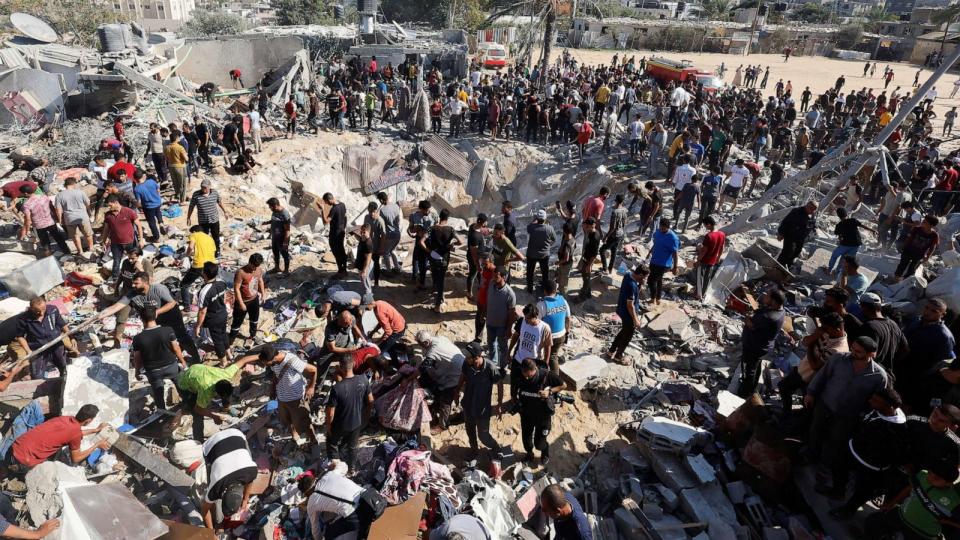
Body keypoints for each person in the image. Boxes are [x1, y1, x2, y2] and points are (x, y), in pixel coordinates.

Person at [805, 336, 890, 497]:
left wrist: (863, 416)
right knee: (815, 431)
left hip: (848, 416)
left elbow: (876, 401)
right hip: (825, 405)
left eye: (859, 352)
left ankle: (824, 469)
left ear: (872, 354)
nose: (853, 353)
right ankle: (810, 456)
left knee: (835, 443)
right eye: (853, 349)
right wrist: (811, 393)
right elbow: (822, 376)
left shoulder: (879, 376)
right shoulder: (839, 359)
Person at [830, 387, 909, 518]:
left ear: (889, 407)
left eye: (876, 400)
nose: (871, 401)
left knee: (863, 491)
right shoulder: (878, 410)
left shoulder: (896, 431)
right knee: (838, 467)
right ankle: (838, 492)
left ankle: (848, 511)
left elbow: (894, 454)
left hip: (871, 466)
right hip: (853, 451)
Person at [101, 272, 201, 363]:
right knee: (159, 340)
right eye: (133, 283)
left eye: (136, 283)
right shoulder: (132, 294)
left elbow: (172, 303)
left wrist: (157, 311)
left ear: (145, 283)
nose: (133, 285)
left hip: (171, 316)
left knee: (182, 336)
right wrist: (99, 316)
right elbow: (116, 306)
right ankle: (168, 358)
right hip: (154, 319)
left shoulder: (158, 289)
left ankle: (196, 358)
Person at [779, 312, 848, 417]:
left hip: (811, 379)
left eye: (825, 328)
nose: (822, 330)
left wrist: (811, 345)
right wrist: (815, 336)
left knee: (807, 405)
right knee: (783, 387)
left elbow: (815, 366)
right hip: (802, 370)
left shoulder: (838, 350)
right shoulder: (827, 332)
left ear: (837, 330)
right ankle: (787, 413)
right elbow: (805, 342)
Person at [177, 355, 258, 441]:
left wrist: (264, 355)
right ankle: (199, 440)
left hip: (198, 369)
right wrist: (214, 416)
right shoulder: (206, 391)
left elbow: (244, 359)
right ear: (216, 393)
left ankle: (226, 408)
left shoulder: (226, 374)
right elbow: (198, 409)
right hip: (186, 383)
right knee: (197, 415)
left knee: (223, 395)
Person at [864, 467, 960, 540]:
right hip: (901, 515)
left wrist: (947, 522)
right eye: (930, 473)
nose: (930, 478)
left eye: (936, 478)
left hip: (922, 533)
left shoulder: (955, 501)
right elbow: (909, 488)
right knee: (871, 521)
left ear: (948, 484)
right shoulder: (922, 475)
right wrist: (891, 504)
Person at [9, 405, 110, 470]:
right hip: (25, 458)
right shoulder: (75, 433)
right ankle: (20, 469)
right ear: (88, 420)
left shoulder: (65, 419)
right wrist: (97, 445)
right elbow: (76, 458)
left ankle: (16, 466)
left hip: (17, 445)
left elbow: (73, 434)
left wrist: (95, 430)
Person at [299, 462, 380, 540]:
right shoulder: (329, 475)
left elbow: (315, 528)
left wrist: (318, 538)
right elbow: (343, 466)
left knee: (329, 533)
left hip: (356, 515)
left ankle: (361, 533)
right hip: (370, 499)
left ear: (307, 493)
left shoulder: (311, 503)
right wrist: (333, 464)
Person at [200, 428, 259, 529]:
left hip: (237, 434)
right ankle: (215, 512)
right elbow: (204, 511)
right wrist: (211, 533)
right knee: (210, 478)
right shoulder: (215, 486)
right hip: (211, 444)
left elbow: (250, 480)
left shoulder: (251, 470)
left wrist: (245, 500)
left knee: (247, 455)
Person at [258, 344, 318, 444]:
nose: (266, 365)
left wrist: (311, 387)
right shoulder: (274, 363)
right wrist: (273, 389)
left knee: (304, 422)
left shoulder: (292, 361)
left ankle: (313, 441)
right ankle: (295, 435)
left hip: (296, 398)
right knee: (287, 420)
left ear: (274, 357)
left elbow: (313, 369)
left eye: (267, 363)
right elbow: (276, 375)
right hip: (282, 398)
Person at [132, 307, 187, 410]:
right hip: (171, 366)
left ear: (141, 319)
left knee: (158, 393)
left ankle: (162, 412)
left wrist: (137, 372)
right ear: (156, 315)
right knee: (181, 385)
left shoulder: (138, 338)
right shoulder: (168, 330)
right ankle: (187, 402)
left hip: (153, 372)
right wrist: (183, 361)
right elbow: (176, 348)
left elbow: (137, 358)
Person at [325, 354, 373, 471]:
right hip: (356, 422)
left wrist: (328, 426)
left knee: (332, 443)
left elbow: (330, 413)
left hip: (340, 424)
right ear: (354, 364)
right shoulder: (364, 380)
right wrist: (364, 416)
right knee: (352, 447)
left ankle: (335, 468)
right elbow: (371, 401)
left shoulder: (337, 388)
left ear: (341, 367)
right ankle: (351, 469)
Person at [515, 358, 566, 467]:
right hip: (526, 415)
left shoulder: (547, 375)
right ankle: (529, 454)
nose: (527, 378)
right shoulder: (520, 375)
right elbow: (515, 390)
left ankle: (545, 451)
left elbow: (563, 385)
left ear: (535, 369)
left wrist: (550, 391)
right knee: (527, 441)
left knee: (540, 444)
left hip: (543, 416)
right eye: (525, 375)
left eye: (529, 376)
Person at [456, 341, 503, 457]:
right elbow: (463, 375)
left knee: (484, 436)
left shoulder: (490, 368)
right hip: (467, 405)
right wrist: (456, 391)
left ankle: (496, 448)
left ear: (477, 357)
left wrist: (499, 404)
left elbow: (500, 383)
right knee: (470, 431)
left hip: (482, 409)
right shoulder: (467, 364)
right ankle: (474, 450)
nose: (466, 358)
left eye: (468, 356)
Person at [14, 297, 79, 379]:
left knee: (64, 368)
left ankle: (64, 382)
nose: (41, 313)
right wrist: (28, 351)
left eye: (43, 309)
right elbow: (20, 336)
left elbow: (62, 324)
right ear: (31, 309)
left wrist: (71, 337)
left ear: (46, 304)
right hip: (38, 349)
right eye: (37, 311)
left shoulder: (53, 310)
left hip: (56, 344)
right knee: (37, 375)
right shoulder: (23, 319)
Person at [738, 289, 786, 397]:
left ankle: (744, 392)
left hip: (754, 347)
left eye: (768, 296)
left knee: (748, 369)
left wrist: (746, 315)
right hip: (763, 346)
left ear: (773, 301)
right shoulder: (780, 310)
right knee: (756, 366)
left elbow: (750, 324)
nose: (765, 296)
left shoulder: (769, 317)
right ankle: (753, 387)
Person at [856, 293, 908, 372]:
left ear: (863, 307)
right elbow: (905, 349)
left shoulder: (869, 327)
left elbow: (865, 355)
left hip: (870, 375)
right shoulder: (894, 324)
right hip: (887, 374)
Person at [610, 265, 649, 366]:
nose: (645, 279)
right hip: (628, 314)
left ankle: (611, 350)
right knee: (627, 336)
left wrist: (640, 284)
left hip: (622, 310)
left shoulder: (628, 275)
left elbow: (636, 294)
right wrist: (635, 319)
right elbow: (630, 305)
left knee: (623, 331)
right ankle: (618, 356)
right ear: (640, 275)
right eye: (644, 277)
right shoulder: (632, 285)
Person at [18, 186, 71, 256]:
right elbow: (52, 208)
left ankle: (49, 259)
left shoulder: (26, 204)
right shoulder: (44, 197)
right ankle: (68, 253)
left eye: (22, 194)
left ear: (26, 193)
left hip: (39, 225)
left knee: (45, 244)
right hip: (50, 222)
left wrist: (27, 230)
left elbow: (28, 219)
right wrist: (57, 219)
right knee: (59, 239)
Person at [102, 195, 144, 280]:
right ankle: (115, 279)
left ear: (116, 203)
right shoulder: (108, 215)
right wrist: (103, 242)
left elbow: (139, 225)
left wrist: (141, 240)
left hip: (130, 242)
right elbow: (106, 229)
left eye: (110, 205)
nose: (109, 208)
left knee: (133, 259)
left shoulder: (129, 211)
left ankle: (136, 276)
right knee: (116, 261)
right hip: (115, 243)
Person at [196, 263, 231, 365]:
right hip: (223, 313)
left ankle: (223, 362)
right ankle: (229, 354)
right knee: (223, 334)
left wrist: (198, 326)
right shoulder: (221, 282)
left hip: (213, 319)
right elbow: (224, 297)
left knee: (217, 341)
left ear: (204, 274)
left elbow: (202, 311)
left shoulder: (204, 291)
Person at [427, 209, 460, 311]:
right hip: (444, 257)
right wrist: (451, 245)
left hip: (433, 256)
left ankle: (434, 288)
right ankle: (438, 304)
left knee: (434, 273)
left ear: (439, 217)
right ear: (447, 218)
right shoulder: (451, 229)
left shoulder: (431, 228)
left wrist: (428, 250)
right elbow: (460, 241)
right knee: (441, 279)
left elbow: (424, 240)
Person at [537, 280, 571, 375]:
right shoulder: (563, 300)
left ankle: (555, 379)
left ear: (544, 291)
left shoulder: (541, 305)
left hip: (549, 337)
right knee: (553, 355)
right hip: (561, 334)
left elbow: (536, 323)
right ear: (556, 290)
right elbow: (568, 318)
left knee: (550, 357)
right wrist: (567, 332)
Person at [827, 207, 874, 275]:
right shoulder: (853, 220)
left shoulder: (839, 225)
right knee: (845, 260)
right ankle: (837, 273)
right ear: (846, 214)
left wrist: (840, 242)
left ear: (838, 216)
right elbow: (862, 226)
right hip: (856, 245)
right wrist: (872, 230)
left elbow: (839, 237)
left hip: (845, 245)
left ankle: (829, 270)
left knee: (835, 255)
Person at [486, 266, 517, 369]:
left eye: (497, 276)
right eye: (493, 275)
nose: (494, 278)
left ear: (504, 277)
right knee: (491, 344)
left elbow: (512, 314)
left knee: (502, 347)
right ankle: (493, 364)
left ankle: (503, 367)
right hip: (490, 322)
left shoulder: (510, 294)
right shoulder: (491, 284)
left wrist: (508, 329)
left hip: (501, 326)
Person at [231, 254, 266, 343]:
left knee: (254, 320)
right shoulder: (241, 272)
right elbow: (236, 289)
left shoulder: (258, 269)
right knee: (236, 323)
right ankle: (231, 340)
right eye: (253, 266)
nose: (254, 269)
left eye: (256, 267)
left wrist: (263, 293)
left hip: (254, 299)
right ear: (249, 262)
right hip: (242, 302)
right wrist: (241, 303)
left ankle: (252, 336)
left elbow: (260, 280)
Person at [180, 225, 217, 306]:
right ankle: (210, 303)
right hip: (211, 264)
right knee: (209, 284)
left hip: (199, 265)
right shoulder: (209, 237)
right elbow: (213, 251)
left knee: (184, 285)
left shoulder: (194, 235)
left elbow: (190, 246)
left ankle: (186, 307)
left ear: (194, 231)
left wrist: (187, 254)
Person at [187, 179, 226, 257]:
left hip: (214, 219)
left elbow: (219, 202)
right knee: (204, 237)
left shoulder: (214, 193)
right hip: (203, 221)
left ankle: (217, 251)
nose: (203, 189)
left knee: (216, 237)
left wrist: (225, 211)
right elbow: (191, 206)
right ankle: (205, 251)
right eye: (202, 187)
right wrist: (188, 217)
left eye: (205, 187)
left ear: (209, 187)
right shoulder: (196, 195)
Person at [54, 177, 92, 257]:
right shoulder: (80, 192)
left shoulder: (59, 195)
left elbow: (58, 209)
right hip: (82, 217)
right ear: (74, 184)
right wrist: (89, 213)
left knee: (75, 236)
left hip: (69, 218)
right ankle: (91, 249)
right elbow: (87, 204)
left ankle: (80, 251)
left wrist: (60, 220)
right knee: (88, 234)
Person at [895, 214, 939, 281]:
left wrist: (928, 256)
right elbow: (909, 238)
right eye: (923, 220)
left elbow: (933, 247)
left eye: (925, 222)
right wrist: (904, 247)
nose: (922, 222)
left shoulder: (934, 235)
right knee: (902, 265)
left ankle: (904, 281)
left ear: (931, 225)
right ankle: (896, 279)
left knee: (912, 269)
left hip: (919, 255)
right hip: (908, 250)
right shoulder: (916, 229)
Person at [776, 201, 818, 267]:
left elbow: (812, 224)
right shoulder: (797, 211)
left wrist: (814, 229)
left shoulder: (812, 215)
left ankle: (787, 266)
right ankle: (778, 266)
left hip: (801, 238)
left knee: (797, 252)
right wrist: (780, 233)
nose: (812, 211)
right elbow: (785, 222)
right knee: (788, 251)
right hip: (791, 235)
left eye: (814, 210)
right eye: (811, 209)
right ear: (807, 206)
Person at [648, 218, 679, 305]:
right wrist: (649, 253)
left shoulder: (673, 238)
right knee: (658, 280)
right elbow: (655, 244)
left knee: (651, 280)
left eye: (663, 228)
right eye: (661, 227)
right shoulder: (658, 232)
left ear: (668, 227)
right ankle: (658, 298)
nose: (662, 229)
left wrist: (675, 267)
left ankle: (653, 298)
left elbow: (675, 253)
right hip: (654, 260)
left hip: (664, 263)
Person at [526, 209, 556, 294]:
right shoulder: (549, 228)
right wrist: (548, 245)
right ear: (545, 219)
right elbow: (554, 239)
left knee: (530, 273)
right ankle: (544, 289)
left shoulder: (531, 227)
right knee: (545, 274)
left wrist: (534, 220)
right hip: (544, 255)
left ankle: (529, 289)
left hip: (531, 254)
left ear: (537, 218)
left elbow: (529, 227)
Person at [694, 216, 725, 300]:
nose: (705, 227)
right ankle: (703, 293)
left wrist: (698, 260)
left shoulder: (709, 236)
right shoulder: (722, 234)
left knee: (700, 277)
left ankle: (698, 295)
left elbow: (704, 251)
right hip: (713, 260)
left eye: (705, 225)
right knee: (707, 278)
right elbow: (722, 248)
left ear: (709, 224)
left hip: (704, 260)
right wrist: (718, 258)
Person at [320, 193, 348, 278]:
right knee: (342, 250)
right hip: (341, 232)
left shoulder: (334, 209)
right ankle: (345, 270)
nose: (326, 204)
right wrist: (344, 227)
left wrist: (322, 210)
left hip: (335, 234)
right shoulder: (342, 205)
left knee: (336, 252)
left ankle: (340, 271)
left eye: (326, 202)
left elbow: (326, 222)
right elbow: (345, 217)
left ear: (329, 200)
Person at [132, 171, 164, 242]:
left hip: (148, 207)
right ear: (143, 176)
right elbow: (158, 190)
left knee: (151, 222)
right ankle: (161, 223)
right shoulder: (151, 181)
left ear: (135, 179)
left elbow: (139, 201)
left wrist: (138, 207)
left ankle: (156, 237)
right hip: (157, 202)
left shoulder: (137, 189)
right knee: (158, 212)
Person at [600, 194, 628, 274]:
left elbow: (612, 228)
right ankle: (610, 269)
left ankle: (605, 268)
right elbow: (625, 222)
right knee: (614, 251)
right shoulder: (625, 210)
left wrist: (605, 236)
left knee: (602, 250)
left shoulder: (615, 212)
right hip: (621, 234)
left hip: (614, 235)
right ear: (622, 201)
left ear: (616, 201)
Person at [577, 218, 602, 301]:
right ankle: (588, 293)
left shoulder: (595, 237)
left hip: (588, 260)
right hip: (586, 258)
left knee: (586, 278)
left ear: (593, 225)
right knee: (585, 276)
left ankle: (582, 297)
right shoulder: (590, 232)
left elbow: (594, 254)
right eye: (585, 225)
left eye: (587, 226)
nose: (585, 227)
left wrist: (589, 265)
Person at [267, 198, 292, 275]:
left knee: (284, 254)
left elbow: (287, 230)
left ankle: (286, 270)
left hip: (282, 238)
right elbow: (274, 220)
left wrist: (285, 242)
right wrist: (266, 222)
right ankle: (277, 268)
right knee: (275, 253)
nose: (270, 209)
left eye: (271, 207)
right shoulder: (274, 211)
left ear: (276, 205)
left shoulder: (285, 214)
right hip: (275, 237)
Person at [164, 131, 189, 203]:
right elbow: (186, 158)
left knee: (175, 183)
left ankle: (177, 196)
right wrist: (186, 156)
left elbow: (166, 158)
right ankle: (182, 200)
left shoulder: (167, 147)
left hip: (171, 166)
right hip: (180, 166)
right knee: (183, 184)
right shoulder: (180, 147)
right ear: (176, 138)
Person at [556, 222, 576, 296]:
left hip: (565, 264)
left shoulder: (568, 244)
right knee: (562, 277)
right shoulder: (573, 238)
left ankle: (563, 296)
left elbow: (566, 258)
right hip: (568, 263)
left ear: (564, 231)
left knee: (563, 283)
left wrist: (558, 262)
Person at [354, 223, 374, 298]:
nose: (362, 234)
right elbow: (360, 238)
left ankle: (368, 298)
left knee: (366, 283)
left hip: (365, 265)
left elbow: (368, 258)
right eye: (361, 232)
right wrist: (353, 233)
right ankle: (367, 295)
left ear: (369, 232)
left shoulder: (368, 243)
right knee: (364, 281)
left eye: (364, 232)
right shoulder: (363, 239)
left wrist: (364, 270)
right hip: (361, 264)